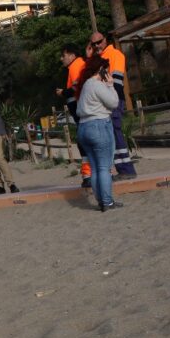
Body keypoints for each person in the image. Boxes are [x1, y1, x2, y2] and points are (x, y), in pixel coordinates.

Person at [74, 55, 123, 212]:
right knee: (104, 167)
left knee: (94, 168)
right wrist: (110, 85)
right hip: (98, 126)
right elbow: (114, 103)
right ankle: (108, 202)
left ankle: (101, 200)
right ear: (101, 70)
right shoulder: (97, 85)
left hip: (83, 128)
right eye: (106, 70)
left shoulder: (86, 85)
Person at [89, 32, 138, 180]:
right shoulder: (99, 59)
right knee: (112, 134)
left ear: (106, 40)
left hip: (113, 99)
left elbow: (116, 81)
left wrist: (110, 101)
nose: (97, 45)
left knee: (115, 132)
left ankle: (127, 170)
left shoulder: (115, 55)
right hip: (106, 100)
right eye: (94, 44)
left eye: (99, 42)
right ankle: (122, 169)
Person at [57, 44, 91, 188]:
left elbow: (76, 88)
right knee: (84, 142)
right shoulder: (75, 66)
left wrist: (63, 93)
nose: (61, 59)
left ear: (71, 55)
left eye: (63, 56)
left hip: (81, 112)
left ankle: (89, 175)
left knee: (85, 142)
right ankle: (89, 174)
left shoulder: (76, 66)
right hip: (80, 112)